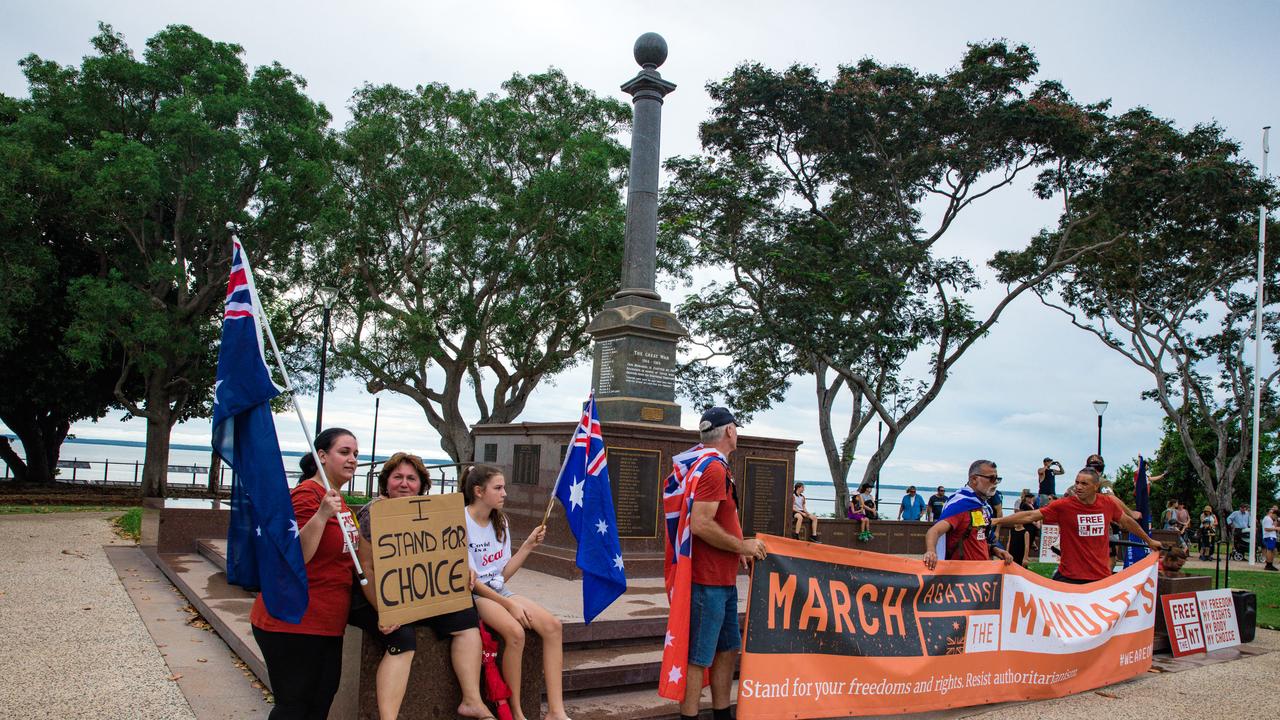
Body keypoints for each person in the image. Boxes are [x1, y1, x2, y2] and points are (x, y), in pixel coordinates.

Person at [349, 452, 491, 720]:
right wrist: (384, 611)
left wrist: (464, 569)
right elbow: (366, 569)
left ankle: (471, 700)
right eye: (397, 477)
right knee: (402, 638)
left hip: (419, 595)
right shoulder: (372, 512)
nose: (404, 483)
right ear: (386, 482)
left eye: (411, 479)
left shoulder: (433, 511)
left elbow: (444, 553)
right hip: (376, 595)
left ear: (422, 484)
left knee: (466, 617)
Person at [250, 428, 362, 720]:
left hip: (328, 621)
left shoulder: (338, 499)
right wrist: (322, 515)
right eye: (344, 452)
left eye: (355, 454)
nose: (352, 459)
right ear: (322, 456)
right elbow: (296, 556)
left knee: (319, 704)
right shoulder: (307, 496)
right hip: (294, 622)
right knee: (294, 707)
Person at [679, 407, 767, 720]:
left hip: (723, 579)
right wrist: (741, 545)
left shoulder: (714, 466)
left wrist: (738, 547)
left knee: (727, 649)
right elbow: (701, 524)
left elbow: (726, 515)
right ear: (729, 431)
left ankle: (722, 715)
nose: (738, 433)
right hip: (708, 581)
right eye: (737, 428)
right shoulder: (714, 469)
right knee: (699, 657)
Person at [463, 464, 570, 720]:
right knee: (515, 632)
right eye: (498, 488)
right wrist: (509, 605)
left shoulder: (500, 521)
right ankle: (516, 711)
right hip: (475, 595)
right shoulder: (461, 521)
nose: (504, 493)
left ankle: (556, 711)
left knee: (553, 627)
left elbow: (502, 575)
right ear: (479, 491)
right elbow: (473, 582)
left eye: (504, 488)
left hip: (499, 590)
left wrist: (528, 546)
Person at [995, 467, 1162, 584]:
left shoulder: (1107, 503)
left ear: (1096, 487)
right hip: (1069, 576)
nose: (1078, 487)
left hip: (1100, 576)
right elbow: (1031, 515)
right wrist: (997, 521)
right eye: (1077, 482)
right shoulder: (1064, 505)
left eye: (1084, 484)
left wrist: (1148, 541)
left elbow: (1127, 521)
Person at [922, 460, 1014, 569]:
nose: (995, 483)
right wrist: (931, 552)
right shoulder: (961, 506)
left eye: (997, 479)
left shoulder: (982, 506)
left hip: (980, 574)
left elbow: (979, 539)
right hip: (961, 576)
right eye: (991, 478)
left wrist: (996, 550)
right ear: (974, 479)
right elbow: (934, 531)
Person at [1007, 489, 1036, 565]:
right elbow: (1009, 542)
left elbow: (1026, 546)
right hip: (1027, 523)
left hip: (1029, 525)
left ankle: (1032, 546)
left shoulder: (1031, 505)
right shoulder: (1023, 504)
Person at [1262, 506, 1278, 571]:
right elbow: (1266, 529)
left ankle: (1270, 564)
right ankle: (1268, 564)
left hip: (1272, 536)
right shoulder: (1267, 519)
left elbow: (1274, 526)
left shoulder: (1270, 519)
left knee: (1273, 550)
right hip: (1269, 536)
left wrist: (1275, 521)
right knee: (1270, 549)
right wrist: (1276, 528)